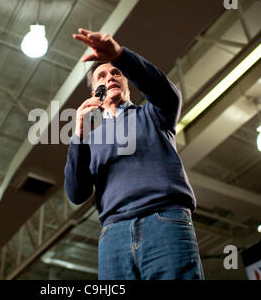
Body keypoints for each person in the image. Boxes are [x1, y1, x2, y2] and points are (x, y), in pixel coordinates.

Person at [64, 28, 204, 280]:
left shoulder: (152, 115)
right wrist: (79, 136)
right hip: (113, 236)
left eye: (116, 72)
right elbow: (76, 193)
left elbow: (166, 93)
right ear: (94, 92)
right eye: (102, 76)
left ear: (128, 82)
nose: (110, 77)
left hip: (164, 221)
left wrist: (119, 56)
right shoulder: (90, 140)